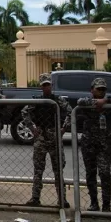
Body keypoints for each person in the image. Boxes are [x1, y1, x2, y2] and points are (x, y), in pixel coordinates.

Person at [78, 77, 111, 212]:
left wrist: (106, 100)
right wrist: (96, 102)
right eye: (98, 89)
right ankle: (94, 203)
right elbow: (80, 101)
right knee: (91, 173)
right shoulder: (87, 103)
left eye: (103, 89)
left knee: (105, 172)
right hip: (88, 143)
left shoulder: (109, 103)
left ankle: (106, 204)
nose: (101, 92)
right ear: (92, 90)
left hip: (104, 144)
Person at [22, 73, 71, 208]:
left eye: (48, 85)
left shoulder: (58, 100)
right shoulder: (37, 101)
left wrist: (63, 128)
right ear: (41, 87)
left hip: (54, 135)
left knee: (58, 170)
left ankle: (62, 199)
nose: (46, 87)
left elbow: (70, 112)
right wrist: (32, 128)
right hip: (41, 136)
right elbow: (24, 112)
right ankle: (35, 198)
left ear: (51, 85)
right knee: (38, 170)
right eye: (44, 85)